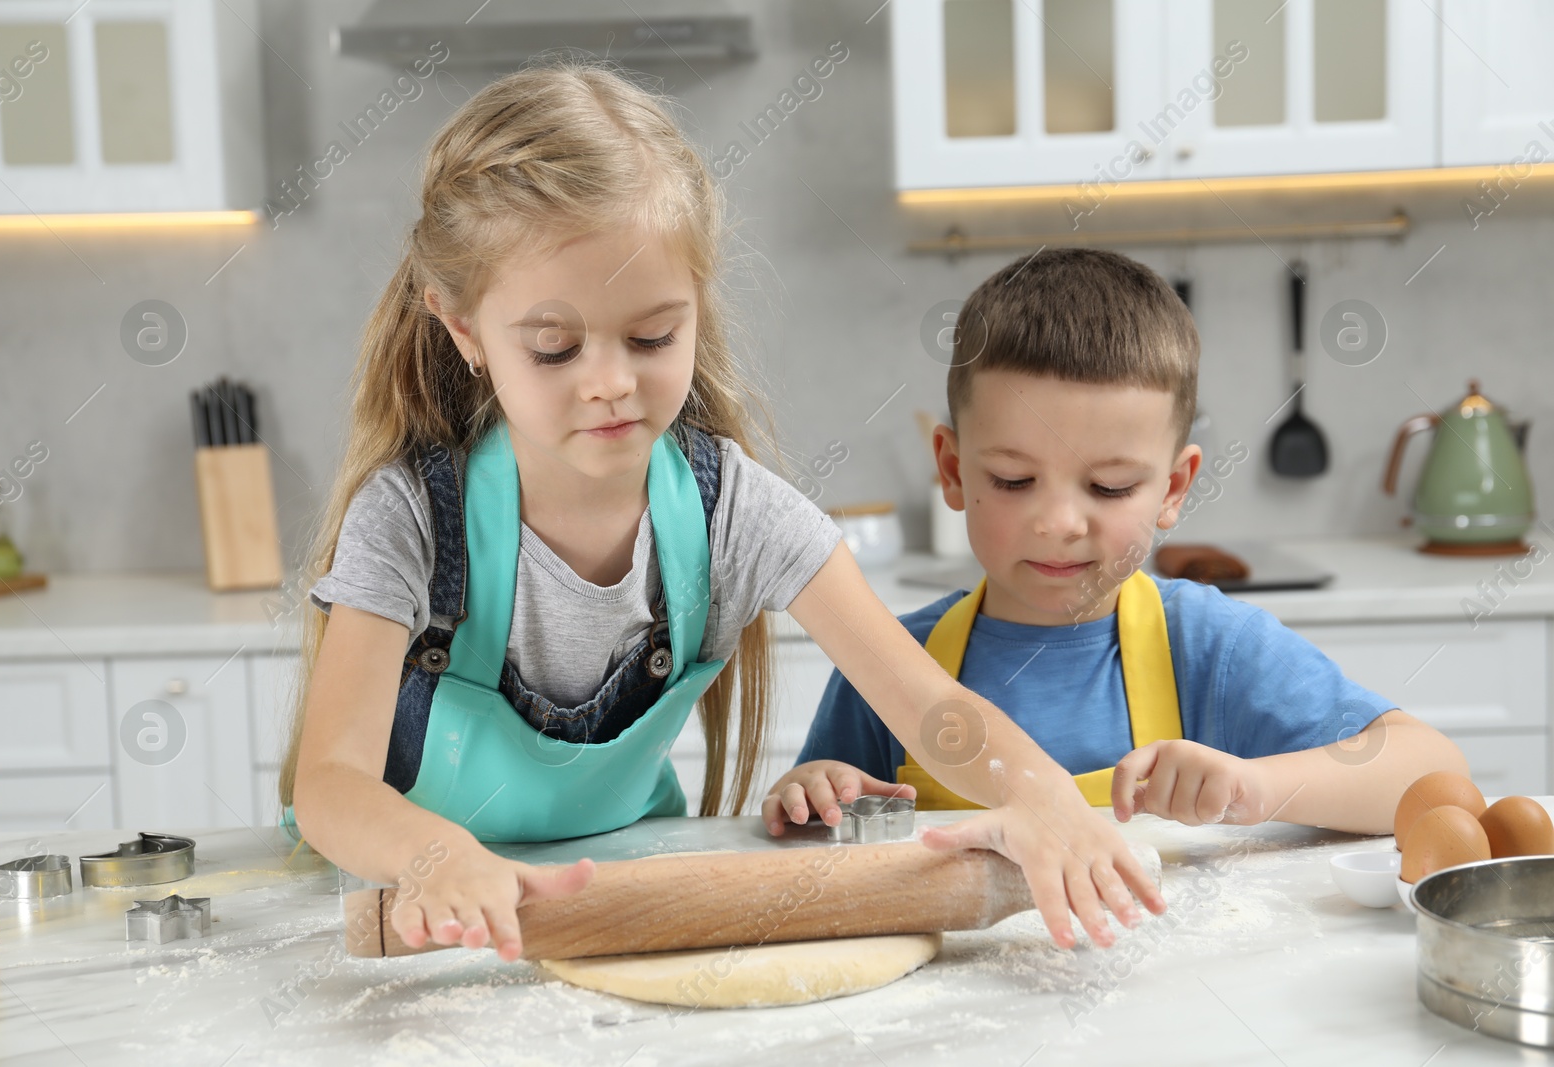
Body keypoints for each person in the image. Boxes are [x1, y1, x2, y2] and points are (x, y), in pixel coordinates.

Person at [282, 62, 1164, 964]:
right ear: (463, 328)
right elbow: (331, 782)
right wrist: (439, 858)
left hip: (629, 909)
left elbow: (929, 704)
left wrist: (1042, 801)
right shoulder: (412, 519)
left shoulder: (731, 511)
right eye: (554, 347)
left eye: (653, 337)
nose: (611, 382)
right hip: (423, 928)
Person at [781, 248, 1468, 835]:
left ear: (1173, 488)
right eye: (1015, 479)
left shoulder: (1210, 649)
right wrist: (816, 790)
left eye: (1108, 487)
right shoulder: (891, 666)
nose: (1059, 522)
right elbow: (818, 823)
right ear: (954, 471)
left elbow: (1435, 770)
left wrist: (1253, 785)